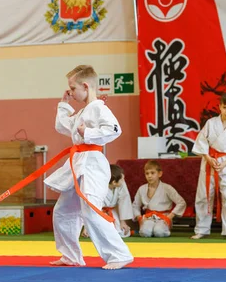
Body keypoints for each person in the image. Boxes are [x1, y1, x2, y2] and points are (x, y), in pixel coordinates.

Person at [44, 65, 134, 269]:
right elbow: (63, 126)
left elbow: (114, 129)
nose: (71, 92)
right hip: (79, 163)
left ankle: (119, 254)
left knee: (91, 210)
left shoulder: (99, 107)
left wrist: (88, 134)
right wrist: (64, 105)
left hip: (92, 163)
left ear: (86, 85)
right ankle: (71, 256)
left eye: (72, 88)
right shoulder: (85, 110)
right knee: (63, 210)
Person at [192, 92, 226, 240]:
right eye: (224, 107)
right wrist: (208, 157)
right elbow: (201, 142)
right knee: (204, 197)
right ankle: (201, 229)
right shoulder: (211, 123)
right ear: (219, 107)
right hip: (209, 162)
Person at [132, 160, 186, 237]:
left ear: (159, 174)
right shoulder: (142, 189)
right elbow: (135, 205)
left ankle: (161, 229)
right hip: (148, 217)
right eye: (147, 173)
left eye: (152, 173)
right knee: (145, 232)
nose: (149, 176)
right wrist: (139, 218)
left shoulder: (167, 188)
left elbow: (181, 202)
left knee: (159, 232)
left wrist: (170, 217)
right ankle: (150, 229)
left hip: (164, 217)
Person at [82, 164, 133, 238]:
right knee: (97, 232)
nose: (124, 180)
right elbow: (91, 206)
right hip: (99, 212)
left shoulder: (121, 183)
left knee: (122, 232)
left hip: (113, 211)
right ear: (114, 182)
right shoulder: (98, 186)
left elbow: (124, 200)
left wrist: (123, 222)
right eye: (122, 179)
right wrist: (87, 226)